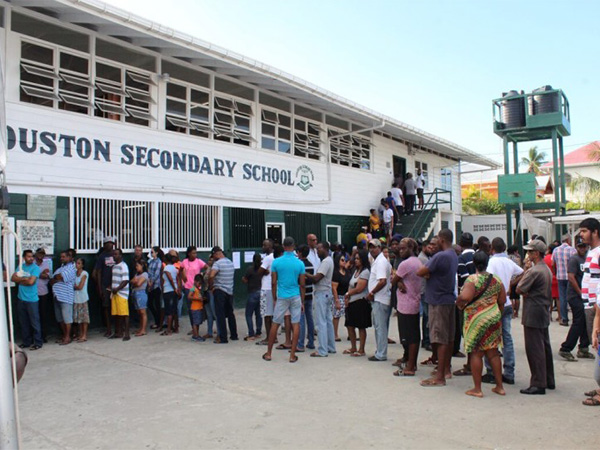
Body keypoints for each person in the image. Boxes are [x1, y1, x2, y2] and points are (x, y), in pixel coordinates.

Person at [456, 251, 506, 397]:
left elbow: (465, 296)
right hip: (493, 319)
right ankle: (500, 386)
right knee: (493, 354)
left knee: (476, 354)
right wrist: (497, 314)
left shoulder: (472, 280)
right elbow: (502, 300)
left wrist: (459, 301)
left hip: (476, 321)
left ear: (474, 263)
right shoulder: (496, 279)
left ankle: (477, 389)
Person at [417, 229, 458, 387]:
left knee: (439, 338)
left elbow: (420, 271)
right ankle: (446, 369)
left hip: (438, 301)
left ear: (441, 240)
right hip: (448, 299)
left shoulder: (440, 256)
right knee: (448, 338)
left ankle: (440, 377)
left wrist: (428, 273)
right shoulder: (453, 254)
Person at [480, 237, 523, 385]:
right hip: (507, 303)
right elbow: (522, 272)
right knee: (507, 338)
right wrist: (510, 284)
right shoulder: (509, 262)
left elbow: (489, 279)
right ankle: (509, 372)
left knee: (491, 338)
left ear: (492, 248)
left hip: (493, 303)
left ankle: (491, 371)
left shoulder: (491, 262)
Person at [516, 239, 555, 395]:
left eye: (530, 252)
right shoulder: (545, 269)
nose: (528, 254)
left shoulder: (534, 271)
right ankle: (548, 379)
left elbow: (519, 288)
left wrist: (525, 272)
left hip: (533, 310)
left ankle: (538, 382)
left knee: (534, 347)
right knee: (544, 345)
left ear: (536, 253)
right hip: (543, 309)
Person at [262, 237, 306, 363]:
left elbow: (273, 282)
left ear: (283, 246)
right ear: (294, 246)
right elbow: (302, 284)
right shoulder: (299, 263)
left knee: (275, 323)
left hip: (282, 296)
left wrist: (275, 297)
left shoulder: (276, 262)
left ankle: (269, 353)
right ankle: (292, 355)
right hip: (295, 295)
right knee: (295, 323)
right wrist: (302, 300)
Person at [559, 238, 595, 361]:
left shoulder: (587, 258)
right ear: (576, 247)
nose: (582, 249)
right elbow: (571, 277)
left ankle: (584, 348)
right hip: (575, 296)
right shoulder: (574, 259)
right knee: (579, 322)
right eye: (580, 247)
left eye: (584, 246)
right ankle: (566, 348)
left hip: (585, 295)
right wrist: (581, 293)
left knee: (586, 321)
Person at [392, 238, 423, 376]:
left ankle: (410, 367)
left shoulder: (405, 264)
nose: (400, 250)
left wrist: (397, 281)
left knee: (409, 337)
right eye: (400, 248)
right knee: (414, 336)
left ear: (411, 247)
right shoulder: (418, 261)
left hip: (405, 305)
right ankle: (412, 363)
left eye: (403, 248)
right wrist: (399, 282)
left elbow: (393, 280)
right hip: (414, 302)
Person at [578, 218, 600, 406]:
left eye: (584, 231)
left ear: (595, 232)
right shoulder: (591, 252)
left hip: (596, 307)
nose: (581, 235)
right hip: (590, 305)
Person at [307, 241, 335, 357]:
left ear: (325, 249)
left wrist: (305, 273)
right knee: (328, 320)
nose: (317, 251)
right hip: (326, 293)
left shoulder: (326, 262)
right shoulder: (327, 261)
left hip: (322, 293)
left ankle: (323, 350)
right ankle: (330, 346)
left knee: (321, 322)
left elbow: (317, 278)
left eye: (319, 249)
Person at [367, 239, 392, 362]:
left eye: (374, 247)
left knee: (380, 327)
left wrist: (372, 292)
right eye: (370, 247)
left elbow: (382, 281)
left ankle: (381, 353)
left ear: (380, 248)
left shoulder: (381, 262)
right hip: (380, 298)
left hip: (380, 298)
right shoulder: (379, 261)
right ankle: (380, 351)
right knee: (379, 326)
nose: (372, 249)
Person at [13, 250, 43, 350]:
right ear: (24, 257)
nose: (31, 258)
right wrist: (24, 279)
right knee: (23, 322)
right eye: (28, 256)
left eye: (32, 256)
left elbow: (31, 282)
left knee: (34, 322)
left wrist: (20, 280)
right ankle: (26, 342)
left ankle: (38, 342)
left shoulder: (35, 268)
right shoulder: (21, 267)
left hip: (32, 299)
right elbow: (13, 278)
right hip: (21, 298)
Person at [343, 249, 371, 356]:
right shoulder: (356, 271)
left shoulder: (365, 272)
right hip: (351, 301)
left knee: (361, 326)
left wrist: (348, 294)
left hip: (360, 302)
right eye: (355, 258)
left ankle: (361, 349)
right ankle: (353, 347)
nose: (356, 260)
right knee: (350, 325)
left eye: (358, 258)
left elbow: (359, 288)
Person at [208, 246, 238, 344]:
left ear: (216, 253)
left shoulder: (218, 264)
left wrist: (211, 286)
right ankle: (234, 335)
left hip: (220, 291)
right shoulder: (230, 263)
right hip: (230, 291)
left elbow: (211, 275)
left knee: (220, 314)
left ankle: (223, 337)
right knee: (230, 314)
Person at [454, 232, 476, 359]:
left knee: (467, 331)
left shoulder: (461, 259)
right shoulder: (480, 256)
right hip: (481, 299)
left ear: (460, 244)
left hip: (467, 300)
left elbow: (463, 281)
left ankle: (470, 363)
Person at [50, 250, 77, 346]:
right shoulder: (60, 268)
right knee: (60, 318)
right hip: (57, 296)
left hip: (66, 296)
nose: (62, 258)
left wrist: (57, 278)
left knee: (67, 318)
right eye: (61, 257)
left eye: (64, 257)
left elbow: (59, 277)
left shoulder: (72, 268)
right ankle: (64, 335)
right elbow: (53, 279)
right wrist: (57, 278)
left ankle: (67, 337)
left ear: (70, 258)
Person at [92, 238, 115, 337]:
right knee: (106, 307)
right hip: (105, 285)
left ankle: (119, 327)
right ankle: (109, 328)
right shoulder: (102, 256)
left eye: (111, 243)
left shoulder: (116, 254)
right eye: (107, 243)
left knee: (117, 306)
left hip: (116, 284)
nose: (109, 245)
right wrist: (100, 287)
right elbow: (98, 272)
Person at [181, 246, 207, 332]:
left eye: (196, 253)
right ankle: (193, 328)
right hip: (188, 287)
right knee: (190, 309)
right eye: (193, 253)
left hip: (197, 288)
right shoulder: (184, 262)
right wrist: (183, 276)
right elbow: (180, 270)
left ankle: (196, 327)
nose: (195, 254)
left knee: (197, 308)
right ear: (189, 254)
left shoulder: (199, 261)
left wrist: (202, 276)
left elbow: (207, 267)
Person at [552, 234, 576, 326]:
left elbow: (553, 263)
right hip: (570, 276)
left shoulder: (556, 250)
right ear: (568, 240)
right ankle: (574, 318)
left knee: (562, 298)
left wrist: (555, 272)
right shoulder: (572, 250)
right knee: (571, 297)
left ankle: (564, 318)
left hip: (560, 276)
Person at [297, 244, 315, 351]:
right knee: (310, 319)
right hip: (310, 293)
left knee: (301, 320)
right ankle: (311, 342)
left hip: (302, 295)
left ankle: (300, 343)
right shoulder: (311, 265)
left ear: (299, 253)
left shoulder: (300, 265)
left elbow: (301, 283)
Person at [110, 248, 131, 341]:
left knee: (124, 314)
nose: (114, 256)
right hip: (114, 293)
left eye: (116, 254)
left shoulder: (123, 266)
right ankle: (118, 332)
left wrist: (117, 289)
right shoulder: (114, 266)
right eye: (113, 254)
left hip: (122, 293)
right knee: (116, 314)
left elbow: (125, 280)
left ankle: (127, 333)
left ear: (121, 255)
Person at [257, 239, 275, 345]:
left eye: (265, 245)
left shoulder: (268, 258)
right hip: (273, 288)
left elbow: (259, 272)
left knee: (267, 315)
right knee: (272, 314)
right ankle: (273, 336)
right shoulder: (276, 257)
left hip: (266, 288)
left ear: (270, 246)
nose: (263, 247)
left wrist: (263, 271)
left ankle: (269, 338)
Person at [242, 253, 263, 340]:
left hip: (252, 292)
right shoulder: (262, 269)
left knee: (248, 314)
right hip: (261, 292)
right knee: (258, 314)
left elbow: (245, 279)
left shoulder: (250, 269)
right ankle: (258, 332)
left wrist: (243, 279)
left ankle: (251, 333)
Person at [331, 253, 350, 342]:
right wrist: (336, 300)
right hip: (338, 296)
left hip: (346, 296)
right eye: (342, 260)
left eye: (345, 260)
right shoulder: (335, 273)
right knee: (336, 315)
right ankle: (334, 334)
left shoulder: (347, 272)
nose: (344, 262)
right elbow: (334, 288)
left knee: (348, 315)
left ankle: (350, 334)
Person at [34, 248, 52, 343]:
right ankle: (35, 336)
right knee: (34, 315)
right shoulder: (32, 263)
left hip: (43, 292)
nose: (41, 255)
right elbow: (29, 275)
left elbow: (46, 276)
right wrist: (40, 274)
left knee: (43, 315)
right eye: (39, 253)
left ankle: (43, 336)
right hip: (32, 293)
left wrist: (36, 274)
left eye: (43, 254)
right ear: (36, 254)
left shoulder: (46, 263)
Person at [161, 253, 179, 336]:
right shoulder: (174, 268)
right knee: (174, 309)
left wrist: (174, 288)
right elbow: (177, 278)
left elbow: (170, 279)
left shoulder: (166, 268)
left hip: (168, 290)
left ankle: (169, 329)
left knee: (168, 311)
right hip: (174, 291)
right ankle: (176, 328)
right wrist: (177, 289)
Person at [73, 258, 90, 343]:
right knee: (78, 319)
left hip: (83, 298)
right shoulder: (74, 273)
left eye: (79, 263)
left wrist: (75, 287)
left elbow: (80, 287)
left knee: (84, 318)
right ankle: (80, 334)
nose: (77, 265)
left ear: (82, 265)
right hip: (75, 298)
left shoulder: (84, 273)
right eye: (76, 263)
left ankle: (84, 335)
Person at [147, 246, 164, 330]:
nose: (151, 253)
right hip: (150, 285)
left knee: (157, 305)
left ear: (157, 252)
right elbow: (148, 272)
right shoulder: (150, 261)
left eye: (152, 252)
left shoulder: (159, 262)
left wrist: (151, 282)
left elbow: (157, 274)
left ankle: (158, 322)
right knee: (150, 304)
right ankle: (157, 321)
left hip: (156, 286)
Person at [131, 260, 149, 337]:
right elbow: (131, 281)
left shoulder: (145, 274)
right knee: (139, 313)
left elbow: (138, 283)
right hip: (135, 294)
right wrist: (134, 281)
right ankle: (140, 328)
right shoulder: (137, 274)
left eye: (137, 265)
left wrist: (135, 281)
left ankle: (143, 330)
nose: (136, 267)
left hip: (141, 294)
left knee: (143, 312)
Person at [544, 244, 560, 321]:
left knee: (549, 299)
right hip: (556, 277)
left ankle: (549, 315)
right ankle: (560, 316)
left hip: (548, 278)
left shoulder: (546, 258)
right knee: (558, 298)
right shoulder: (556, 257)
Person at [507, 245, 523, 318]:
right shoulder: (517, 259)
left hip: (509, 279)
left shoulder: (506, 258)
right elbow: (520, 268)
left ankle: (512, 312)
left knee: (511, 297)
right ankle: (516, 312)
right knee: (517, 297)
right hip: (516, 278)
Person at [188, 274, 205, 342]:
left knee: (197, 322)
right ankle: (195, 336)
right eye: (199, 283)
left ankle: (196, 334)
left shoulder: (197, 289)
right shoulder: (193, 288)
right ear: (195, 281)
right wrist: (198, 299)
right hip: (195, 308)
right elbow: (189, 296)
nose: (199, 285)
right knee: (195, 323)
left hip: (198, 308)